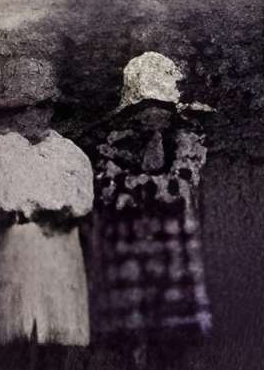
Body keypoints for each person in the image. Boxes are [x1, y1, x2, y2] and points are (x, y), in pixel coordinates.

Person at [92, 51, 214, 349]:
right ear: (133, 110)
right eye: (146, 107)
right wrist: (143, 187)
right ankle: (133, 362)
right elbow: (109, 188)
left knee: (171, 321)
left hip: (172, 241)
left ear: (172, 109)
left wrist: (138, 188)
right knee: (133, 317)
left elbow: (180, 186)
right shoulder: (115, 144)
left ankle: (170, 363)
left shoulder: (187, 142)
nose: (153, 114)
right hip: (129, 241)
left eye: (161, 106)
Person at [0, 57, 93, 361]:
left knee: (55, 317)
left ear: (50, 111)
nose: (31, 117)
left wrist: (54, 212)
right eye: (22, 110)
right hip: (8, 242)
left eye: (39, 108)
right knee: (11, 319)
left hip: (56, 241)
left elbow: (83, 201)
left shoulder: (70, 155)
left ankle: (56, 360)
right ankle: (9, 359)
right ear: (11, 114)